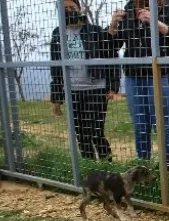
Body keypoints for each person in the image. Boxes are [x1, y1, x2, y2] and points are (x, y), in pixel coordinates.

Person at [108, 0, 169, 161]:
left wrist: (157, 24)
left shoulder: (168, 12)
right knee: (140, 127)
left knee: (161, 127)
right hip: (134, 78)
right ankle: (144, 169)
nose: (141, 5)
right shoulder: (128, 14)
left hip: (162, 76)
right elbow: (112, 46)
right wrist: (112, 27)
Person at [50, 0, 119, 161]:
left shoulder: (94, 31)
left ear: (79, 9)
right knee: (81, 134)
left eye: (72, 7)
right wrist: (57, 98)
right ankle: (90, 168)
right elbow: (56, 68)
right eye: (64, 9)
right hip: (73, 90)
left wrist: (112, 86)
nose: (69, 11)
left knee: (96, 131)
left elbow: (111, 55)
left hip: (96, 88)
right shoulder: (57, 33)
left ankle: (107, 165)